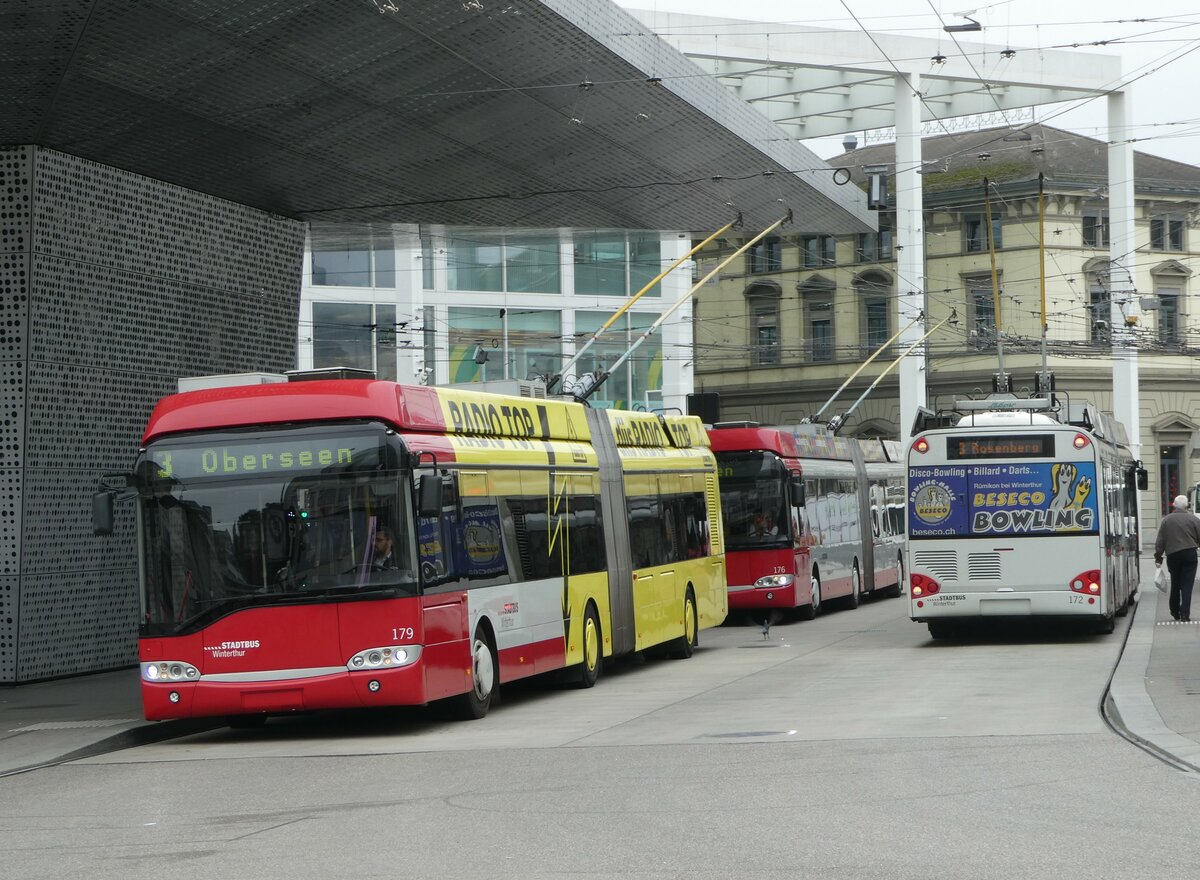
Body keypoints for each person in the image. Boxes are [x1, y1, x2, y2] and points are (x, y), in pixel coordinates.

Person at [1154, 495, 1200, 621]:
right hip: (1190, 554)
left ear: (1174, 505)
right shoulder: (1194, 519)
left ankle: (1174, 611)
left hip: (1173, 555)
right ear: (1187, 506)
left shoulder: (1167, 520)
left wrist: (1158, 557)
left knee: (1175, 583)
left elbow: (1160, 541)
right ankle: (1185, 614)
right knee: (1187, 585)